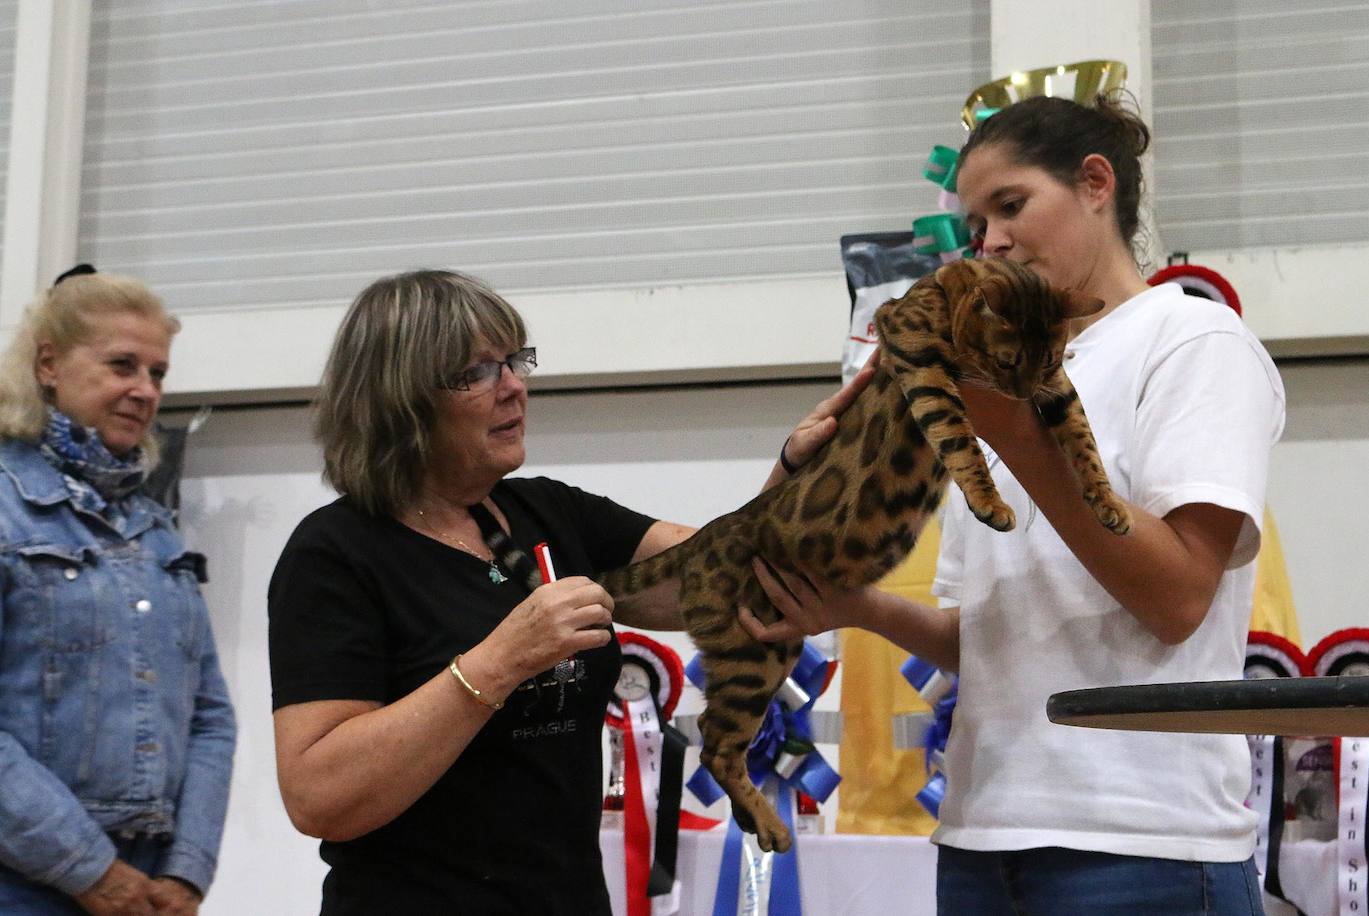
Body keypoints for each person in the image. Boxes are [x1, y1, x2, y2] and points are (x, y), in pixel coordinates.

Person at [742, 93, 1285, 915]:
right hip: (981, 838)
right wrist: (858, 605)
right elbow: (989, 636)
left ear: (1095, 183)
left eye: (1010, 206)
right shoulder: (1000, 390)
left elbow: (1177, 598)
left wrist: (1026, 441)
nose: (989, 241)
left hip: (1142, 845)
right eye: (974, 225)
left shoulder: (1192, 344)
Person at [267, 269, 867, 914]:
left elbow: (732, 581)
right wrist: (499, 662)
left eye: (514, 361)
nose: (515, 388)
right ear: (401, 400)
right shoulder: (335, 555)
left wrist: (795, 474)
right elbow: (319, 797)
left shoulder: (545, 513)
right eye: (479, 371)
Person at [0, 267, 237, 915]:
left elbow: (210, 714)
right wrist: (86, 868)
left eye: (157, 374)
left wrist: (189, 871)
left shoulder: (156, 532)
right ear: (48, 364)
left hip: (150, 889)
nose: (144, 390)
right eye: (122, 365)